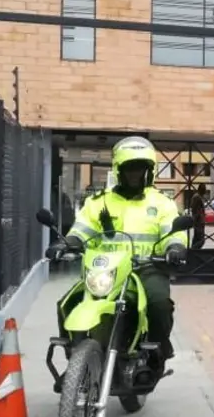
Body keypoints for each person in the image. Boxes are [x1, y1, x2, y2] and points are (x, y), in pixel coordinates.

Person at [46, 136, 190, 370]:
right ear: (119, 170)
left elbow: (172, 232)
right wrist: (65, 244)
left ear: (148, 171)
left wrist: (175, 248)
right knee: (67, 303)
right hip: (105, 271)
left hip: (146, 269)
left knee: (159, 304)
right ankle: (76, 360)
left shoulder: (162, 203)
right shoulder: (98, 202)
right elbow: (81, 230)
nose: (135, 174)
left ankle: (157, 350)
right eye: (130, 168)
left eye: (140, 168)